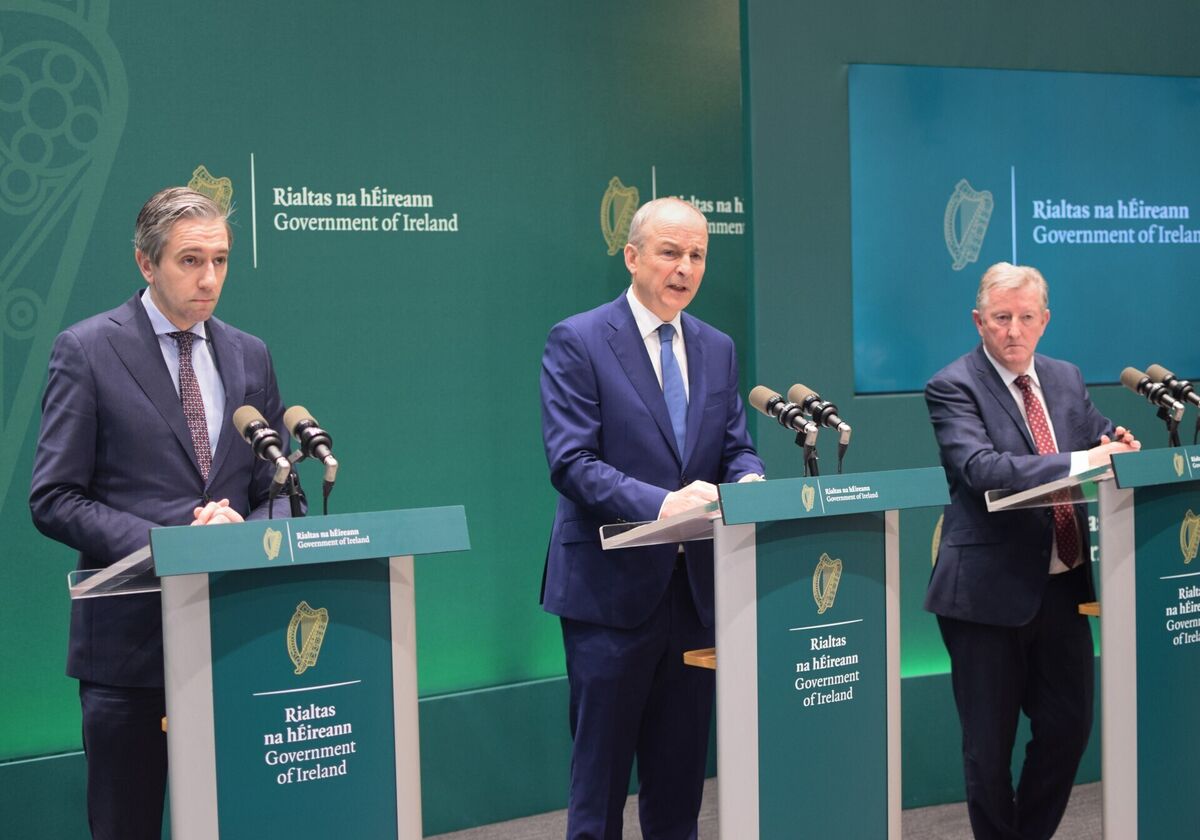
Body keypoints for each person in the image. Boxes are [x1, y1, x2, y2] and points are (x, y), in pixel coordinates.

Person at [29, 187, 296, 839]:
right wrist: (175, 541)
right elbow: (54, 498)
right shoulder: (87, 350)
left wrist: (246, 540)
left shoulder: (248, 353)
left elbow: (277, 483)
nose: (210, 279)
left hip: (235, 639)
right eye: (190, 261)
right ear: (146, 264)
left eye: (222, 260)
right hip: (129, 650)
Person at [540, 196, 764, 839]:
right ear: (632, 256)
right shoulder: (579, 339)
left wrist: (748, 479)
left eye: (697, 255)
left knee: (679, 791)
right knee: (599, 794)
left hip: (694, 596)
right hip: (609, 596)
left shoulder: (716, 346)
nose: (685, 267)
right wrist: (663, 504)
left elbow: (735, 446)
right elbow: (572, 462)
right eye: (671, 252)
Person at [924, 262, 1139, 840]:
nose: (1013, 331)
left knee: (1069, 729)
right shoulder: (953, 385)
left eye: (1025, 318)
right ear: (978, 321)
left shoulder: (1065, 378)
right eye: (1000, 319)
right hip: (986, 596)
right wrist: (1079, 462)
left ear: (1044, 320)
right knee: (987, 752)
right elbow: (978, 469)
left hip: (1063, 587)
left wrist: (1115, 445)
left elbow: (1096, 434)